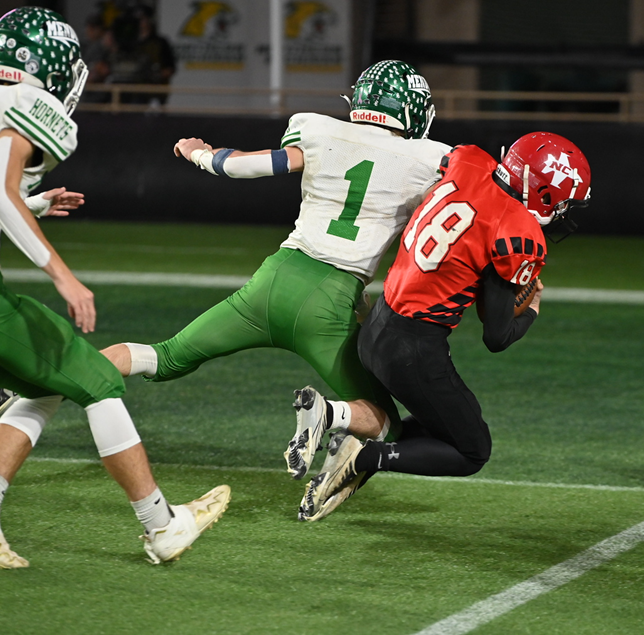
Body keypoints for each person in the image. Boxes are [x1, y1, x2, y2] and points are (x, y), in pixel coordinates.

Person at [0, 7, 230, 569]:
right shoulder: (32, 105)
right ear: (49, 62)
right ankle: (161, 525)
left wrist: (33, 205)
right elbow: (0, 194)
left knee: (50, 380)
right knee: (99, 378)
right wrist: (64, 275)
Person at [93, 60, 452, 481]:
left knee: (166, 356)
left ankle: (52, 376)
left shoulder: (320, 131)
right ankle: (326, 414)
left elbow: (240, 165)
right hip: (329, 299)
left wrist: (198, 152)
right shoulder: (431, 160)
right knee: (386, 425)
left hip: (273, 280)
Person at [298, 132, 592, 522]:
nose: (563, 212)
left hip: (377, 324)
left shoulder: (469, 161)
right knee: (472, 449)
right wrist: (532, 309)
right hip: (412, 347)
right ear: (544, 192)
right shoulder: (518, 231)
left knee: (449, 421)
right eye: (563, 202)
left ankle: (340, 420)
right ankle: (361, 453)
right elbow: (497, 336)